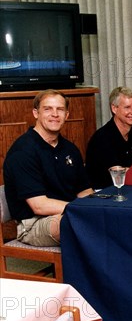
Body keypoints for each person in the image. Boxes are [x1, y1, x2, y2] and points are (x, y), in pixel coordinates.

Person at [3, 89, 94, 246]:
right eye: (48, 109)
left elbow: (84, 191)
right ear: (36, 113)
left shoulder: (70, 149)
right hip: (33, 224)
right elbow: (39, 206)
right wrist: (83, 210)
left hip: (69, 212)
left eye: (60, 109)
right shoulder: (23, 151)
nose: (55, 114)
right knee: (75, 223)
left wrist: (98, 209)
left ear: (67, 115)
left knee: (106, 219)